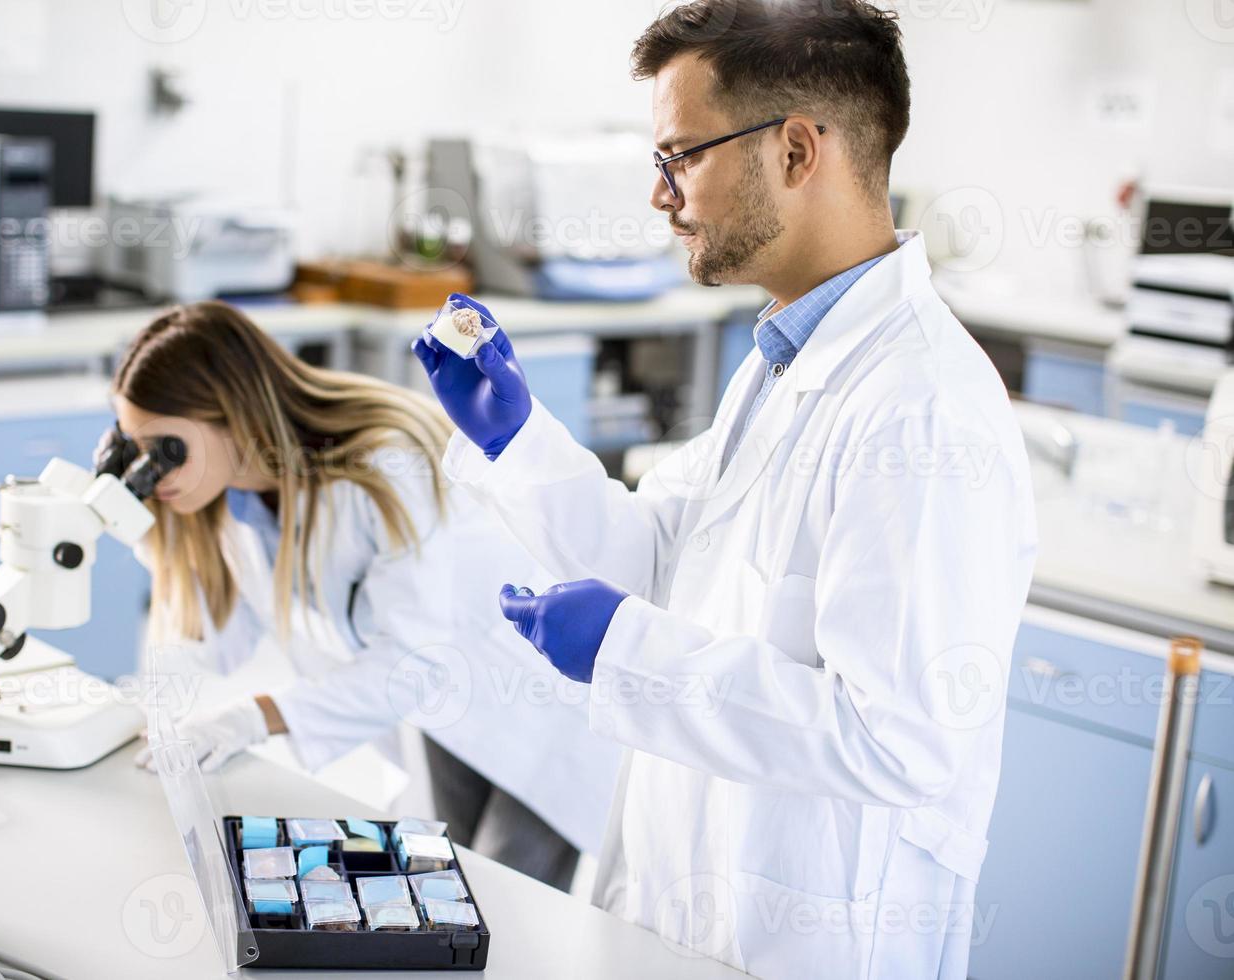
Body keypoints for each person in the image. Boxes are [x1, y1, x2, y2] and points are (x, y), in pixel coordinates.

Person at [412, 1, 1037, 976]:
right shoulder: (783, 359)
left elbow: (897, 739)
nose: (662, 197)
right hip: (688, 910)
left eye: (682, 157)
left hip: (810, 936)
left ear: (795, 150)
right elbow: (664, 559)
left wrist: (626, 649)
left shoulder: (921, 410)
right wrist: (516, 438)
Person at [119, 300, 620, 890]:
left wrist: (254, 718)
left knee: (501, 906)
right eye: (134, 447)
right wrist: (147, 534)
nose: (154, 470)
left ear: (230, 411)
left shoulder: (382, 467)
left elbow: (412, 664)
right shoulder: (238, 504)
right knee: (442, 891)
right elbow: (219, 645)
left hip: (539, 704)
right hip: (447, 713)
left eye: (165, 448)